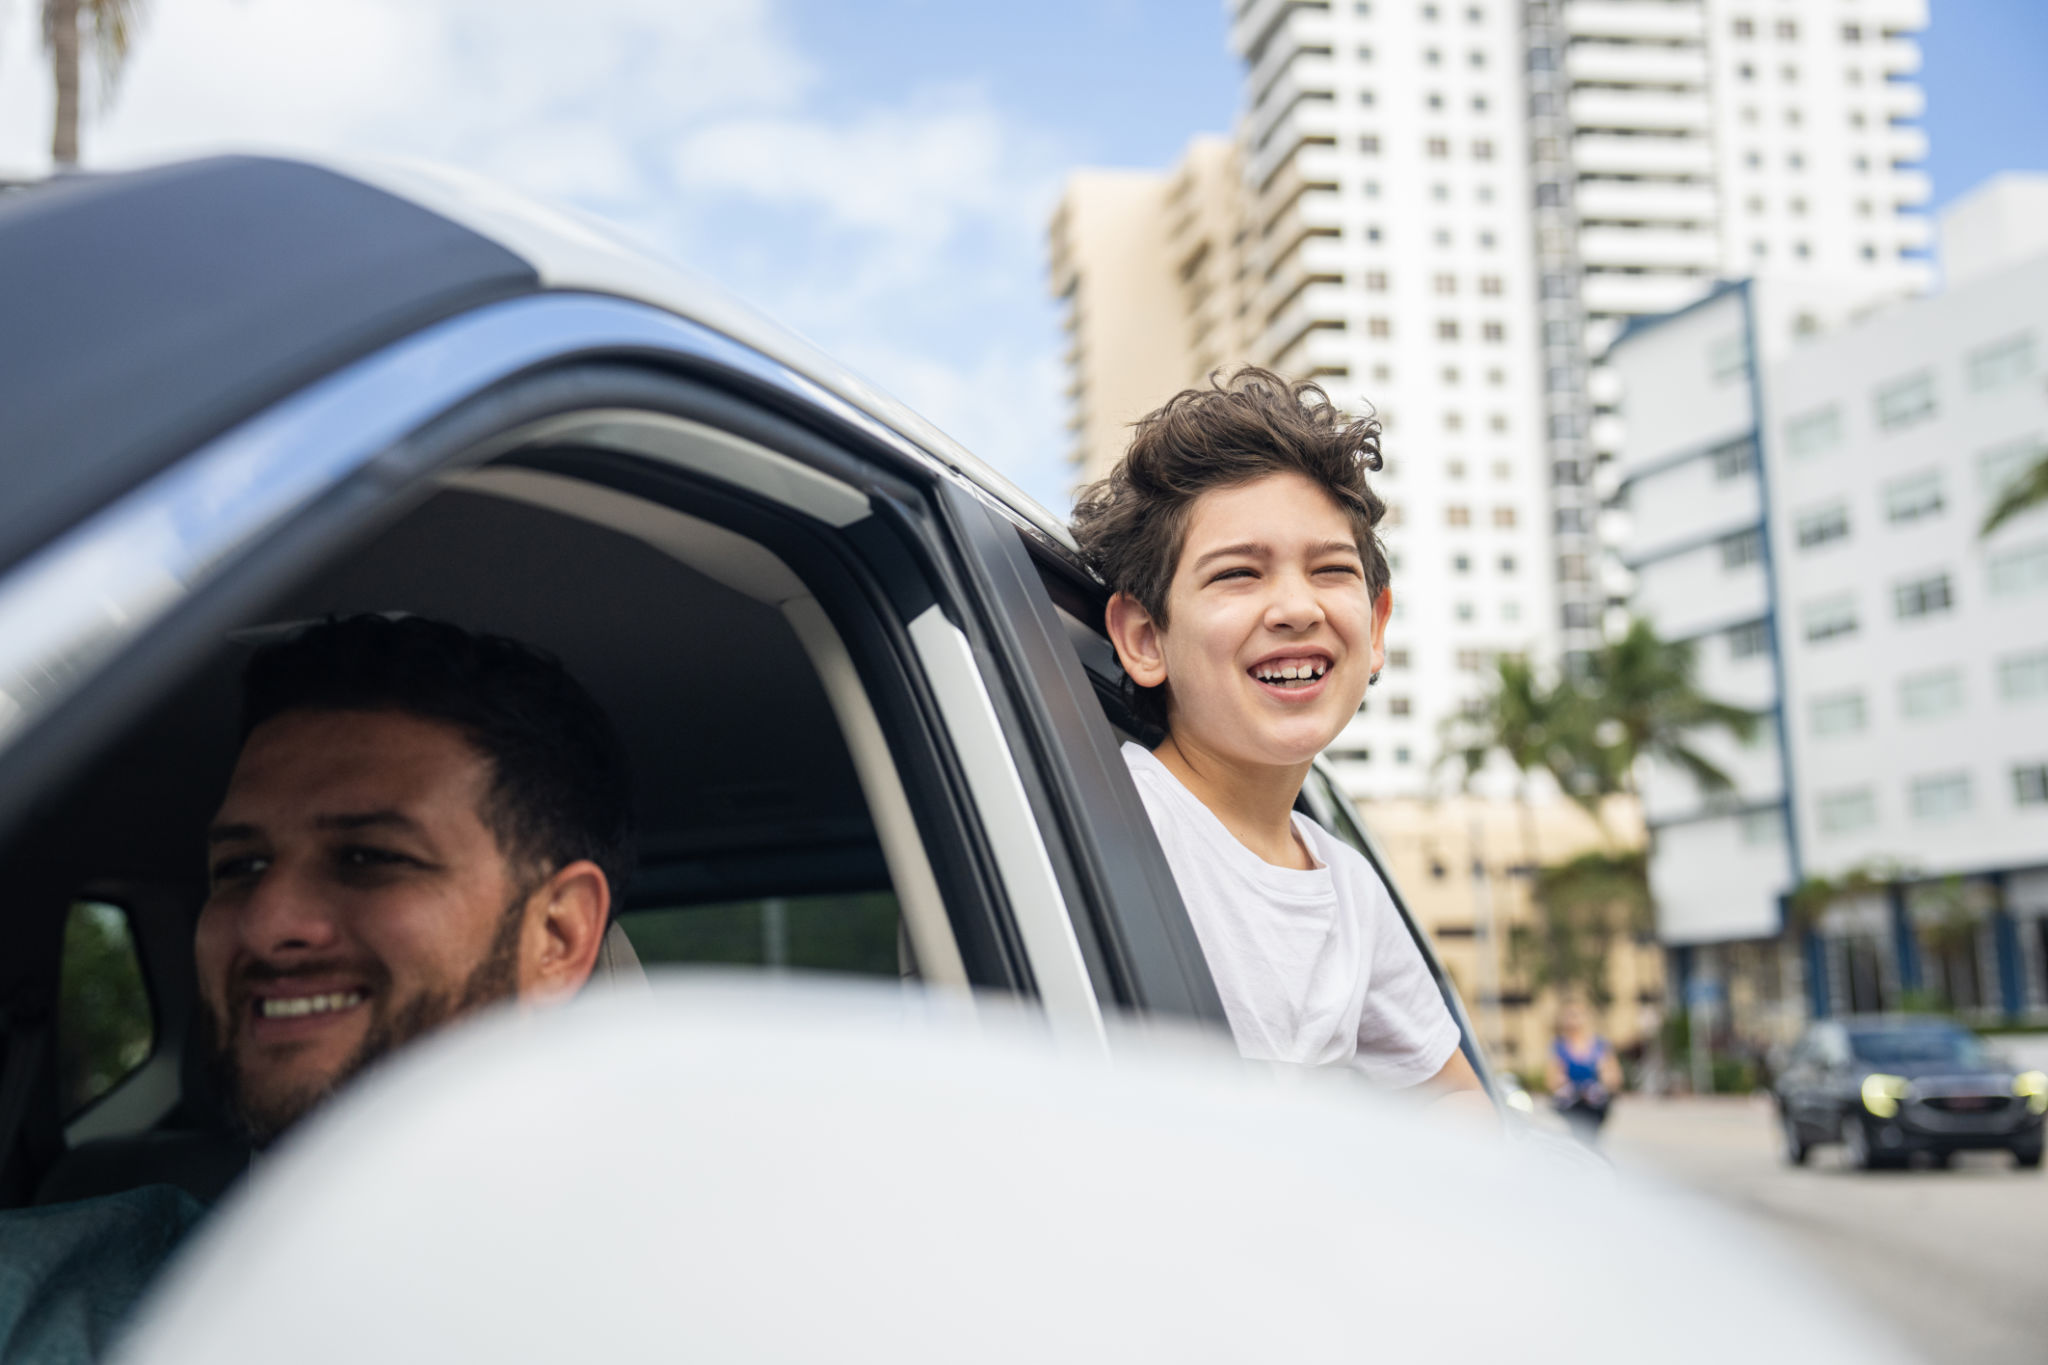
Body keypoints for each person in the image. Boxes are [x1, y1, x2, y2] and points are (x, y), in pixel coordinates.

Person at [0, 615, 633, 1363]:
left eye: (368, 856)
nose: (268, 923)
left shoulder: (717, 1291)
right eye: (240, 867)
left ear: (557, 934)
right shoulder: (40, 1292)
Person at [1071, 368, 1484, 1106]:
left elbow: (1457, 1103)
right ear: (1144, 636)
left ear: (1377, 625)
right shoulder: (1117, 818)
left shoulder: (1348, 884)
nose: (1296, 607)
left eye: (1330, 569)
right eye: (1237, 574)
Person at [1546, 1000, 1623, 1147]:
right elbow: (1551, 1081)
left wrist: (1606, 1076)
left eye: (1576, 1015)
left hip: (1595, 1104)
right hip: (1572, 1105)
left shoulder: (1600, 1046)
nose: (1572, 1021)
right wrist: (1560, 1080)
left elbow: (1615, 1077)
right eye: (1568, 1016)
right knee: (1578, 1140)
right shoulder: (1559, 1047)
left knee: (1592, 1141)